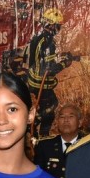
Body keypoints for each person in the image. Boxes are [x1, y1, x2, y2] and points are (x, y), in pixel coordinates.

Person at [23, 8, 74, 138]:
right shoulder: (48, 43)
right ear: (51, 25)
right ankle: (36, 129)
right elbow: (49, 70)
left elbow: (44, 59)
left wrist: (63, 56)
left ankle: (35, 130)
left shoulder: (39, 38)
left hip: (33, 79)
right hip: (41, 83)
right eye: (58, 26)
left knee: (49, 105)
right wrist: (65, 63)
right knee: (50, 108)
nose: (59, 29)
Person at [34, 104, 85, 178]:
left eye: (71, 116)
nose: (66, 120)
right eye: (62, 117)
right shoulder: (45, 146)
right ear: (57, 122)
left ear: (80, 122)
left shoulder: (88, 146)